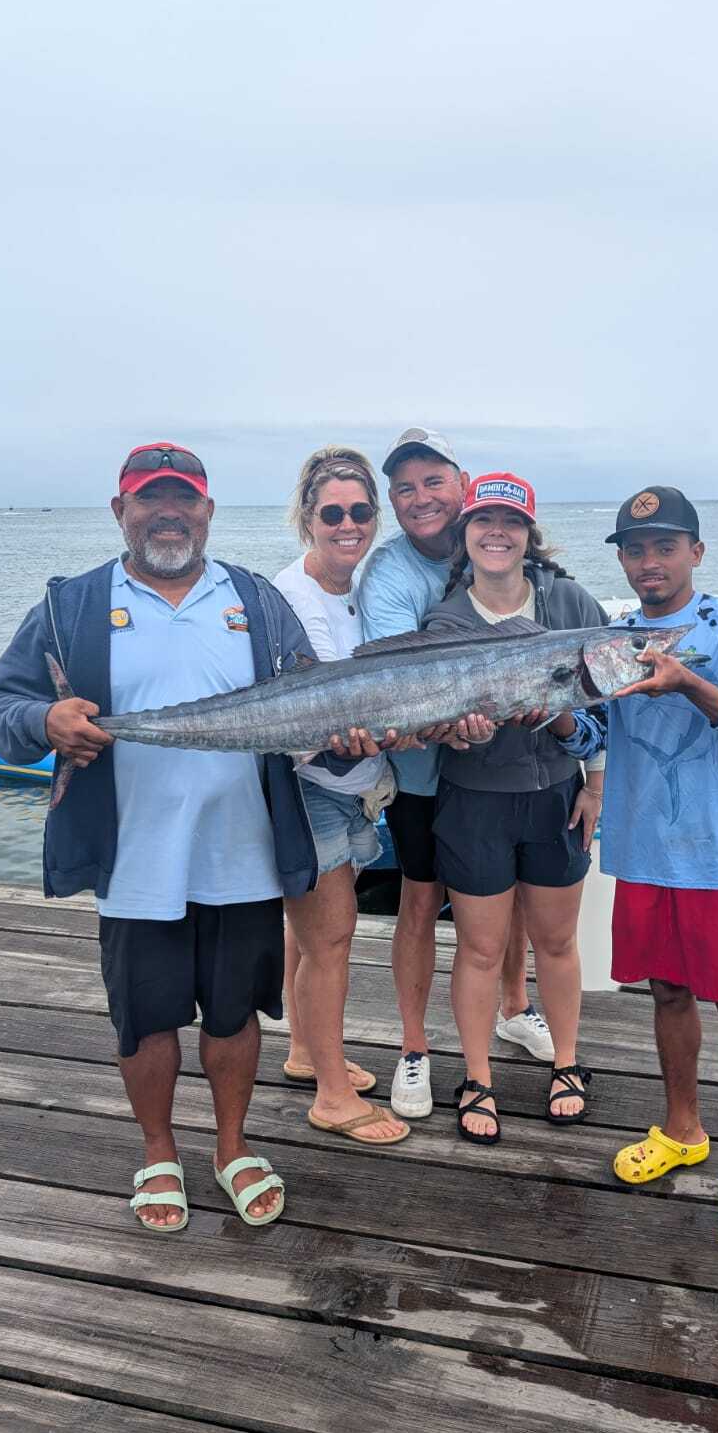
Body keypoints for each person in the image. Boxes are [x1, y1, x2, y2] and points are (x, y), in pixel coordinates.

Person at [0, 443, 369, 1234]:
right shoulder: (71, 604)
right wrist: (44, 721)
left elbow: (313, 703)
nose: (168, 514)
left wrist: (345, 737)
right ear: (119, 511)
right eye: (149, 499)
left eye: (184, 499)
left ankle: (231, 1146)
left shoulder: (255, 599)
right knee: (145, 1020)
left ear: (208, 511)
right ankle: (158, 1150)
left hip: (244, 856)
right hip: (134, 862)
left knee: (234, 1016)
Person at [600, 485, 718, 1247]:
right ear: (622, 560)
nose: (649, 561)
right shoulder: (611, 638)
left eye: (665, 546)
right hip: (644, 852)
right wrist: (541, 716)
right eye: (635, 549)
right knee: (667, 992)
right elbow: (590, 735)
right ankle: (683, 1129)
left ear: (696, 552)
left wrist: (690, 683)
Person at [358, 429, 555, 1122]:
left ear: (462, 484)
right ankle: (414, 1046)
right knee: (420, 900)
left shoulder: (498, 548)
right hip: (424, 773)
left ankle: (515, 1006)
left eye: (433, 482)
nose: (420, 498)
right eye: (404, 489)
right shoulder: (390, 575)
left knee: (512, 898)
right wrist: (447, 724)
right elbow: (391, 683)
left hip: (500, 770)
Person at [422, 473, 607, 1142]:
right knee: (480, 947)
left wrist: (594, 783)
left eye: (511, 522)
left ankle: (566, 1062)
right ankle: (477, 1077)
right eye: (483, 521)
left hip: (556, 796)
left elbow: (605, 708)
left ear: (530, 535)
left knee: (556, 941)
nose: (497, 533)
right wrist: (458, 733)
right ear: (465, 533)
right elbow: (434, 727)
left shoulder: (570, 601)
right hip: (474, 803)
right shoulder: (445, 622)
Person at [273, 447, 409, 1145]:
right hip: (309, 787)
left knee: (307, 934)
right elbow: (325, 715)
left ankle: (305, 1051)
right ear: (308, 518)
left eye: (360, 511)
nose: (348, 525)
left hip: (355, 786)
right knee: (330, 938)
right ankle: (331, 1095)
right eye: (333, 514)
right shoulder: (291, 597)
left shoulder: (363, 586)